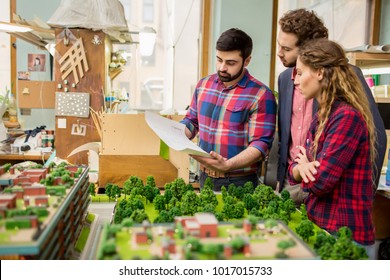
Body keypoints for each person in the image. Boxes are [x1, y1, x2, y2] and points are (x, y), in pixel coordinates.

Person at [276, 8, 387, 206]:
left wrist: (365, 192)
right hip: (293, 179)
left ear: (307, 48)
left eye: (286, 49)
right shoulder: (285, 79)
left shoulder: (346, 76)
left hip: (330, 185)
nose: (279, 53)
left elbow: (377, 136)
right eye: (279, 45)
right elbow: (286, 135)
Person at [289, 38, 376, 258]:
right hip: (323, 227)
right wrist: (301, 168)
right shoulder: (322, 116)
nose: (295, 81)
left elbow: (320, 182)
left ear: (319, 72)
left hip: (345, 235)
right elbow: (295, 170)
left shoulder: (346, 117)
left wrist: (304, 167)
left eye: (300, 73)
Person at [180, 28, 277, 191]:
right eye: (219, 60)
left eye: (230, 63)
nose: (222, 67)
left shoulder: (261, 95)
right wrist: (178, 133)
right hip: (205, 178)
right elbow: (192, 120)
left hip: (239, 182)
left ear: (247, 61)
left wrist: (228, 165)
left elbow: (261, 145)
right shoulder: (204, 85)